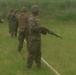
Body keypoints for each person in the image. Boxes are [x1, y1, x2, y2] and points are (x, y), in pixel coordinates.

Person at [27, 5, 46, 69]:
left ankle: (38, 65)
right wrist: (41, 28)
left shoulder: (37, 18)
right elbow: (33, 27)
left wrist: (44, 31)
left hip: (38, 37)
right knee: (32, 53)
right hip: (33, 38)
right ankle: (28, 67)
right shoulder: (30, 19)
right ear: (34, 11)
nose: (38, 12)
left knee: (38, 53)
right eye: (37, 11)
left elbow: (39, 27)